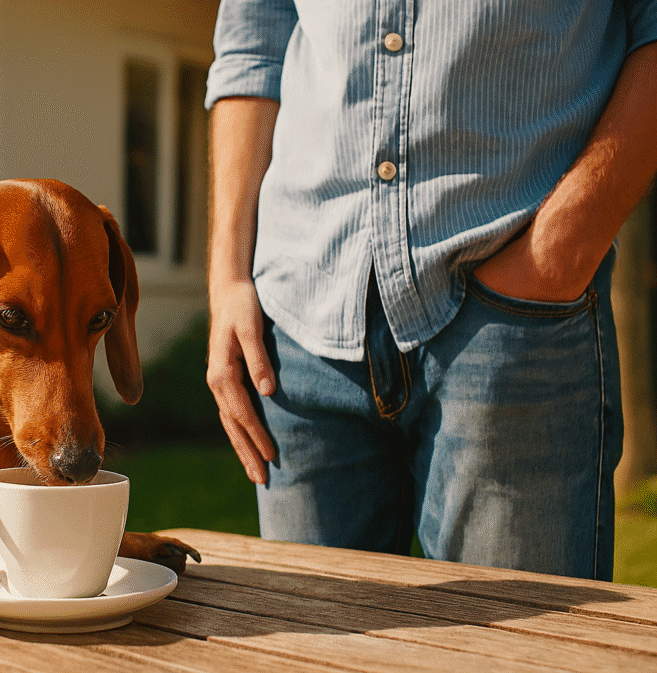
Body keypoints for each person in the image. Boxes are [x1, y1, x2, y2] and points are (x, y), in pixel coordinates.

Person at [204, 0, 657, 580]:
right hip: (298, 327)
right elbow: (254, 42)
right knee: (315, 637)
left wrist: (556, 254)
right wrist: (228, 276)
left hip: (515, 319)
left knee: (513, 636)